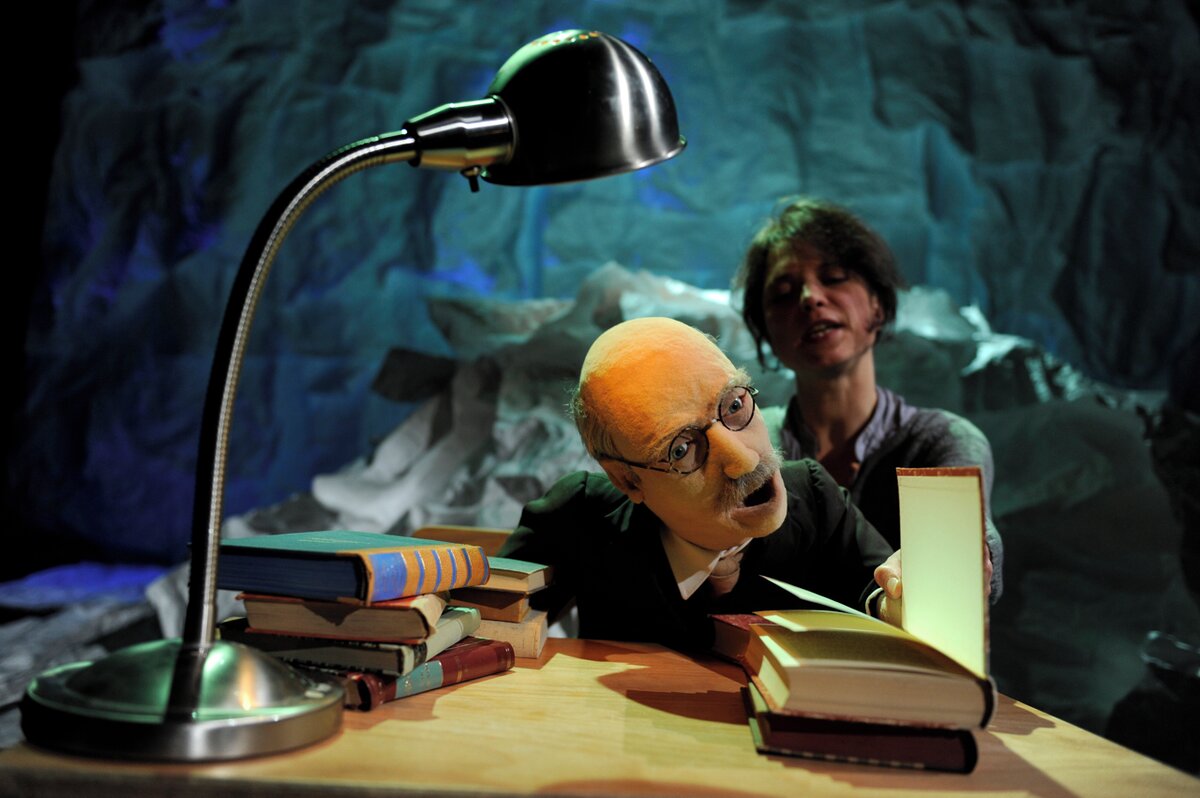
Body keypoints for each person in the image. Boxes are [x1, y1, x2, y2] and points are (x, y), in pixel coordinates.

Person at [498, 316, 896, 652]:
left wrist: (898, 598)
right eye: (681, 449)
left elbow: (883, 597)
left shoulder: (814, 497)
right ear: (627, 479)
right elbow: (486, 618)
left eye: (734, 405)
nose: (744, 460)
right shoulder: (582, 517)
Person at [734, 197, 1003, 599]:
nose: (810, 297)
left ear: (877, 306)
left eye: (834, 277)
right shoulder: (749, 444)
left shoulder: (941, 439)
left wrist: (965, 555)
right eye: (784, 294)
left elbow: (970, 545)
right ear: (766, 332)